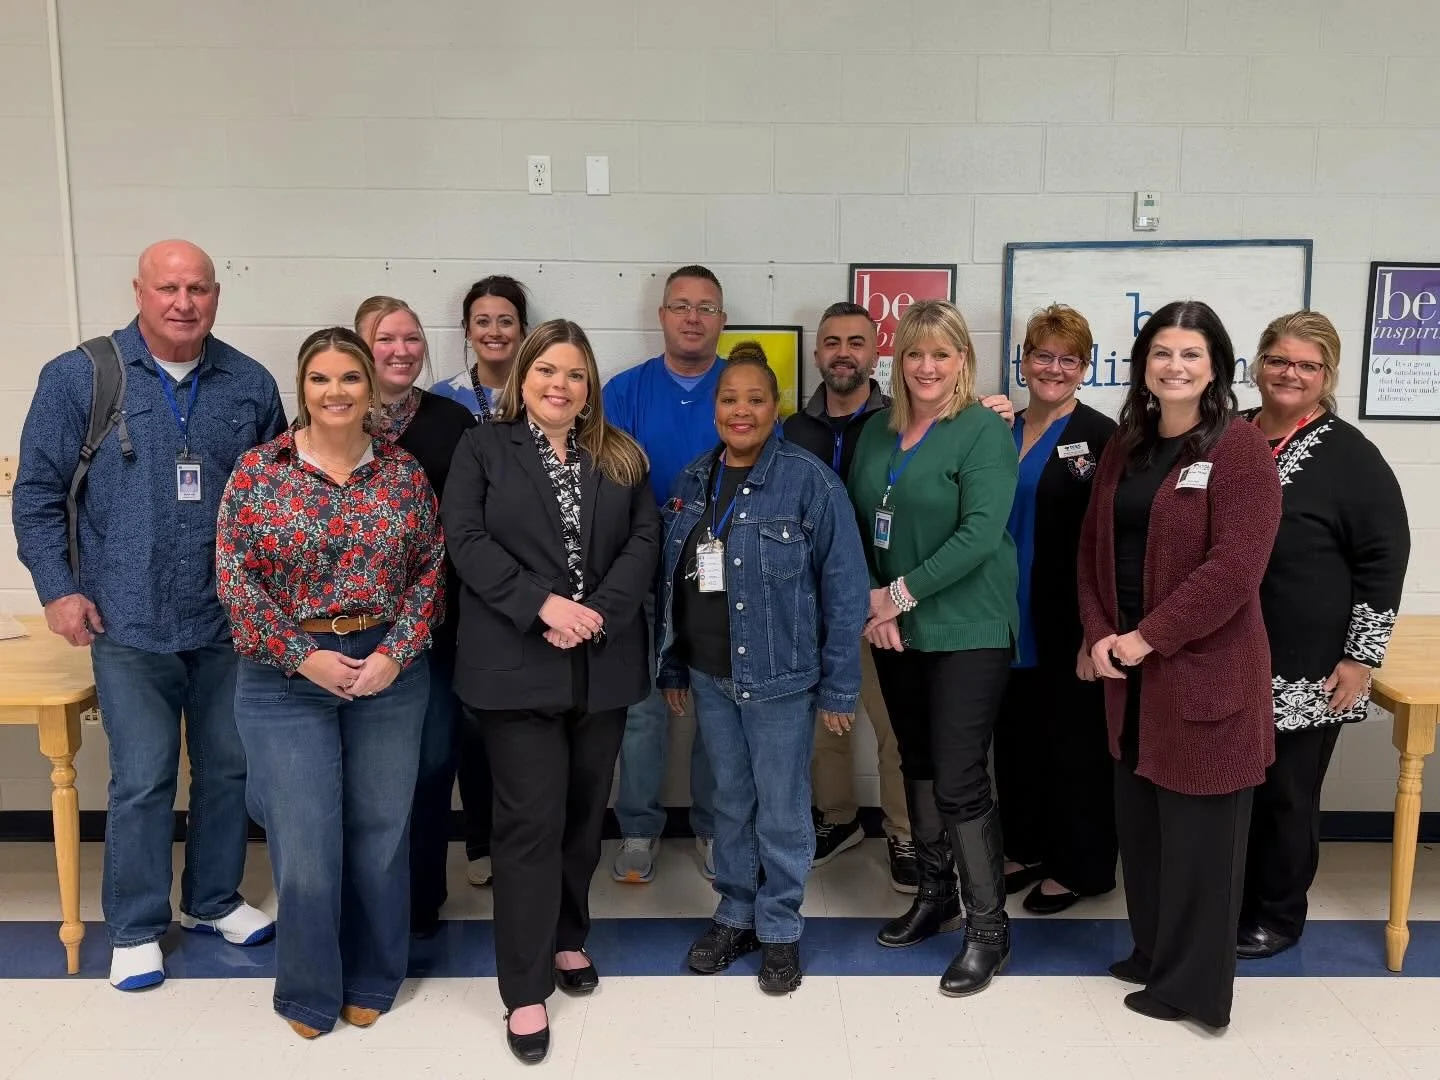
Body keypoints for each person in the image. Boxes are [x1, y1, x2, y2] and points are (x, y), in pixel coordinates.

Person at [13, 239, 285, 992]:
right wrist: (59, 589)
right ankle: (134, 927)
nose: (183, 303)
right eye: (168, 288)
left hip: (230, 620)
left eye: (198, 288)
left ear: (217, 295)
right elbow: (36, 495)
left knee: (228, 769)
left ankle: (212, 899)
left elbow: (275, 500)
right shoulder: (82, 376)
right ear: (139, 291)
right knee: (142, 777)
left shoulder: (249, 383)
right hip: (126, 621)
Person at [216, 327, 444, 1039]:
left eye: (350, 378)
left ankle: (378, 972)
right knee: (305, 841)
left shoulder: (404, 474)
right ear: (301, 386)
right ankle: (309, 990)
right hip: (285, 676)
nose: (335, 392)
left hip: (387, 669)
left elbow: (431, 570)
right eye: (320, 378)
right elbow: (234, 575)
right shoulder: (260, 471)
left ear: (369, 387)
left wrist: (396, 653)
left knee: (380, 832)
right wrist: (301, 654)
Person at [442, 320, 658, 1064]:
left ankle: (570, 938)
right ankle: (525, 989)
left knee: (579, 819)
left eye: (574, 374)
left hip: (600, 665)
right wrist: (543, 606)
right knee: (528, 828)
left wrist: (595, 612)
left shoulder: (620, 454)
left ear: (589, 384)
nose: (560, 385)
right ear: (522, 378)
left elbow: (645, 540)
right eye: (546, 372)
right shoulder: (482, 448)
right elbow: (463, 540)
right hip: (517, 664)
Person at [1077, 300, 1282, 1028]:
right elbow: (1094, 553)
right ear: (1142, 366)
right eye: (1161, 352)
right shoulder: (1125, 446)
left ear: (1217, 368)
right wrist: (1100, 631)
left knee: (1200, 843)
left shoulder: (1239, 448)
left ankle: (1193, 989)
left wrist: (1144, 638)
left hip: (1203, 676)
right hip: (1129, 680)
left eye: (1191, 354)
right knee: (1145, 830)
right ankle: (1153, 952)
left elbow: (1233, 571)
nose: (1174, 366)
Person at [659, 345, 866, 994]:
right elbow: (674, 581)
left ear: (774, 407)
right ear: (716, 408)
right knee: (729, 804)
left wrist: (839, 685)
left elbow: (845, 589)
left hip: (780, 680)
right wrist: (672, 667)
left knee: (780, 810)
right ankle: (735, 914)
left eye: (754, 399)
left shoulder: (809, 481)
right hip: (711, 677)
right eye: (728, 399)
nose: (740, 410)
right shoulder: (694, 479)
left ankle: (779, 930)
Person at [847, 300, 1019, 996]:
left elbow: (980, 534)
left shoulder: (981, 432)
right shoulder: (874, 435)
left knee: (958, 777)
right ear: (899, 362)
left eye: (941, 355)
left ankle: (989, 929)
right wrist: (871, 599)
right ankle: (936, 895)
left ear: (962, 362)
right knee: (913, 759)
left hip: (968, 629)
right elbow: (850, 521)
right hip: (893, 627)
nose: (926, 367)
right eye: (915, 354)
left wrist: (900, 595)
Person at [1238, 311, 1410, 959]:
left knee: (1287, 794)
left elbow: (1384, 558)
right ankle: (1233, 899)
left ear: (1328, 376)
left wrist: (1361, 658)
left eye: (1307, 365)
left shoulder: (1348, 454)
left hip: (1310, 665)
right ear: (1258, 364)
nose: (1290, 374)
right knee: (1235, 787)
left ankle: (1278, 917)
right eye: (1280, 359)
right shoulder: (1230, 435)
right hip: (1229, 656)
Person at [355, 296, 492, 933]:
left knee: (432, 758)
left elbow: (474, 520)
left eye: (412, 338)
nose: (402, 350)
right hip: (349, 626)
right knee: (362, 766)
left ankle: (419, 898)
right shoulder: (335, 418)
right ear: (360, 347)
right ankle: (364, 894)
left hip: (437, 622)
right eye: (386, 339)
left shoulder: (452, 423)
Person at [780, 302, 915, 887]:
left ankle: (905, 836)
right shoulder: (792, 430)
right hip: (810, 602)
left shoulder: (902, 423)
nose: (843, 353)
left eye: (855, 342)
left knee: (893, 728)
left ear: (874, 353)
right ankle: (837, 819)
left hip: (879, 601)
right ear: (817, 355)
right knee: (823, 726)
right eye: (831, 342)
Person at [603, 264, 728, 884]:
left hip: (716, 579)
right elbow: (604, 485)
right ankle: (637, 829)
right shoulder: (624, 391)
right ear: (661, 315)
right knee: (644, 709)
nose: (692, 318)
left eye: (705, 308)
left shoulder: (742, 388)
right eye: (681, 306)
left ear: (721, 321)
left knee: (714, 704)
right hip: (640, 572)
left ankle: (712, 828)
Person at [992, 305, 1119, 915]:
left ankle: (1080, 866)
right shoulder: (1000, 429)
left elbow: (1114, 542)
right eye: (1043, 355)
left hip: (1068, 618)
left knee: (1074, 745)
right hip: (1000, 614)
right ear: (1024, 360)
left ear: (1085, 368)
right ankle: (1025, 845)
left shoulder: (1103, 438)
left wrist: (1098, 630)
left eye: (1069, 358)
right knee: (1014, 738)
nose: (1054, 368)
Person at [430, 275, 529, 421]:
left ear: (521, 330)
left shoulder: (544, 394)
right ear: (468, 331)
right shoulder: (442, 396)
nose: (494, 332)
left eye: (506, 322)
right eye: (483, 322)